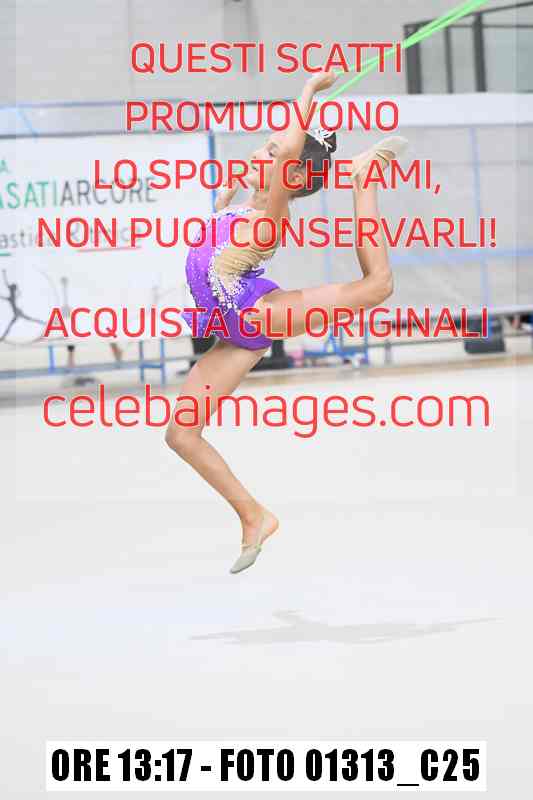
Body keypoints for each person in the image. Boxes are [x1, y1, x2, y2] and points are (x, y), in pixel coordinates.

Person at [165, 68, 408, 573]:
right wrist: (230, 190)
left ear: (290, 176)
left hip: (257, 317)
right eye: (264, 147)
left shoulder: (270, 217)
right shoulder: (238, 208)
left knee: (377, 286)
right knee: (181, 434)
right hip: (231, 331)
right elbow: (278, 158)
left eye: (272, 151)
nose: (261, 153)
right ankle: (254, 516)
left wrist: (309, 91)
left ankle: (363, 180)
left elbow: (290, 153)